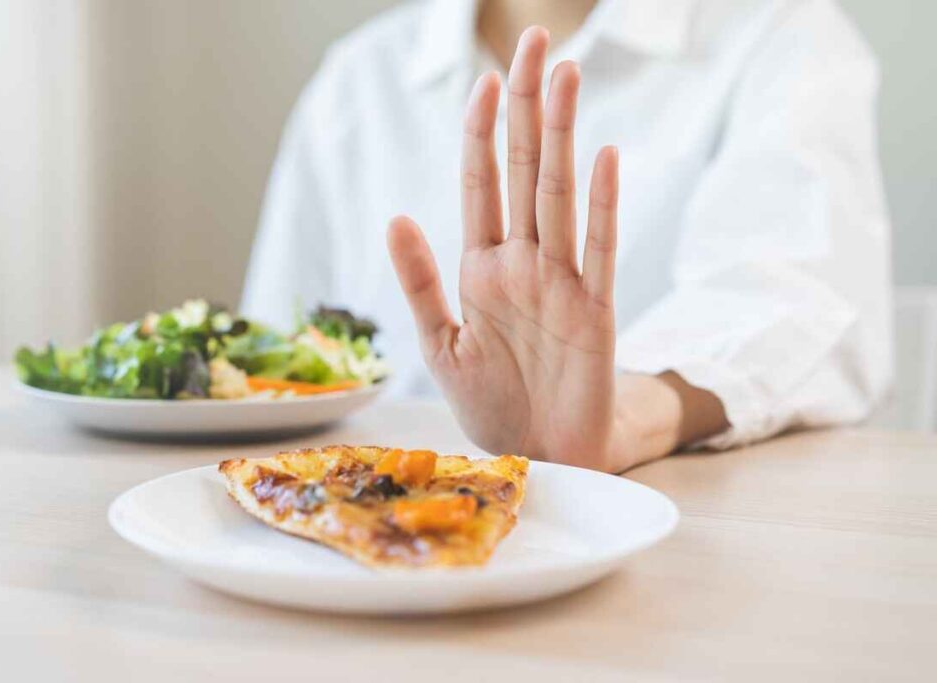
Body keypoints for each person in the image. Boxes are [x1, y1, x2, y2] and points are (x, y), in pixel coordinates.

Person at [240, 0, 891, 472]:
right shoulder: (357, 81)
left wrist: (621, 420)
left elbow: (802, 302)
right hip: (361, 550)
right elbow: (271, 361)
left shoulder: (783, 35)